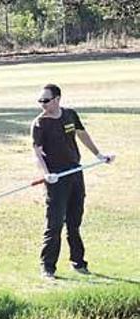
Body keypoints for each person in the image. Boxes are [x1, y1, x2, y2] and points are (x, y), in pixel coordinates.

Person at [32, 83, 115, 279]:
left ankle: (78, 263)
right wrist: (46, 174)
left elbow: (82, 135)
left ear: (57, 99)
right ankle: (48, 268)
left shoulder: (70, 115)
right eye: (40, 101)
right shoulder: (39, 124)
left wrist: (99, 155)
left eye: (46, 100)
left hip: (75, 174)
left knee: (74, 222)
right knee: (54, 225)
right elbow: (37, 153)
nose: (42, 104)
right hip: (56, 179)